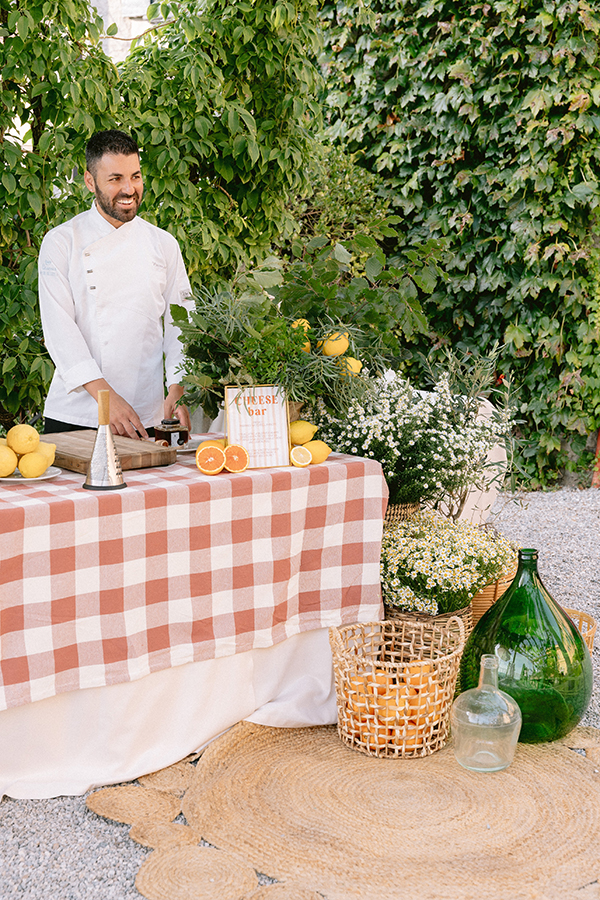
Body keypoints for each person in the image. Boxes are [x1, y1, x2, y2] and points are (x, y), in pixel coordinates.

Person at [38, 129, 193, 439]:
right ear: (89, 181)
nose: (129, 189)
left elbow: (183, 324)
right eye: (115, 179)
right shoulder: (61, 242)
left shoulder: (163, 244)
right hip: (77, 415)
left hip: (146, 416)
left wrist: (178, 390)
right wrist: (107, 400)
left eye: (135, 176)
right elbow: (60, 333)